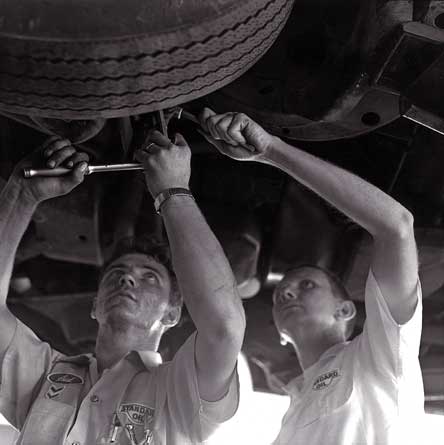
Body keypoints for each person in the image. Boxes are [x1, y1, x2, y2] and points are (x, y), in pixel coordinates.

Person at [0, 131, 245, 445]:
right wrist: (21, 194)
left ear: (172, 312)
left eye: (150, 278)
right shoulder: (46, 375)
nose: (127, 279)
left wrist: (174, 192)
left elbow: (225, 326)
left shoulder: (180, 392)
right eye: (116, 272)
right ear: (94, 305)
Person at [200, 108, 424, 444]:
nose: (287, 293)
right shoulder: (293, 410)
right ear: (280, 335)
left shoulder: (380, 358)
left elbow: (396, 227)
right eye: (288, 290)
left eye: (303, 286)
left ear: (345, 311)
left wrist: (272, 151)